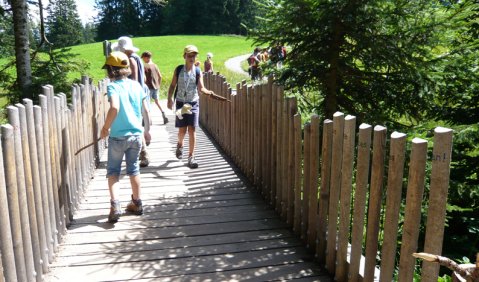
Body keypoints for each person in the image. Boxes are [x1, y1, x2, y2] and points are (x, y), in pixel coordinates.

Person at [100, 51, 151, 223]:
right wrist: (147, 130)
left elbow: (114, 107)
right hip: (136, 135)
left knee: (113, 172)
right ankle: (137, 203)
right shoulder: (137, 85)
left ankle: (115, 206)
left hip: (117, 137)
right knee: (134, 169)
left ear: (111, 70)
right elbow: (146, 110)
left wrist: (105, 127)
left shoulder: (113, 86)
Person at [167, 45, 215, 169]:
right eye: (189, 55)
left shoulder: (198, 71)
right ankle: (180, 144)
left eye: (194, 56)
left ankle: (191, 156)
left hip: (193, 103)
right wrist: (169, 99)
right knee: (182, 130)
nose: (192, 58)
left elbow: (201, 87)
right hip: (181, 104)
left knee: (192, 129)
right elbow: (172, 86)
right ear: (184, 56)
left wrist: (207, 91)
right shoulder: (178, 70)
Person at [112, 36, 151, 167]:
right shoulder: (137, 58)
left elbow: (132, 81)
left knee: (135, 124)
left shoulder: (130, 60)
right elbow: (143, 78)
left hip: (133, 96)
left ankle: (143, 154)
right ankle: (143, 153)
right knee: (136, 124)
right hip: (139, 94)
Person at [141, 51, 169, 124]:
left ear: (147, 58)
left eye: (143, 58)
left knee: (147, 103)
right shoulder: (155, 65)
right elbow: (160, 76)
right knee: (157, 102)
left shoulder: (145, 66)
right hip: (156, 87)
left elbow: (143, 78)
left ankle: (146, 119)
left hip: (148, 87)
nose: (143, 60)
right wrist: (158, 85)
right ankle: (163, 114)